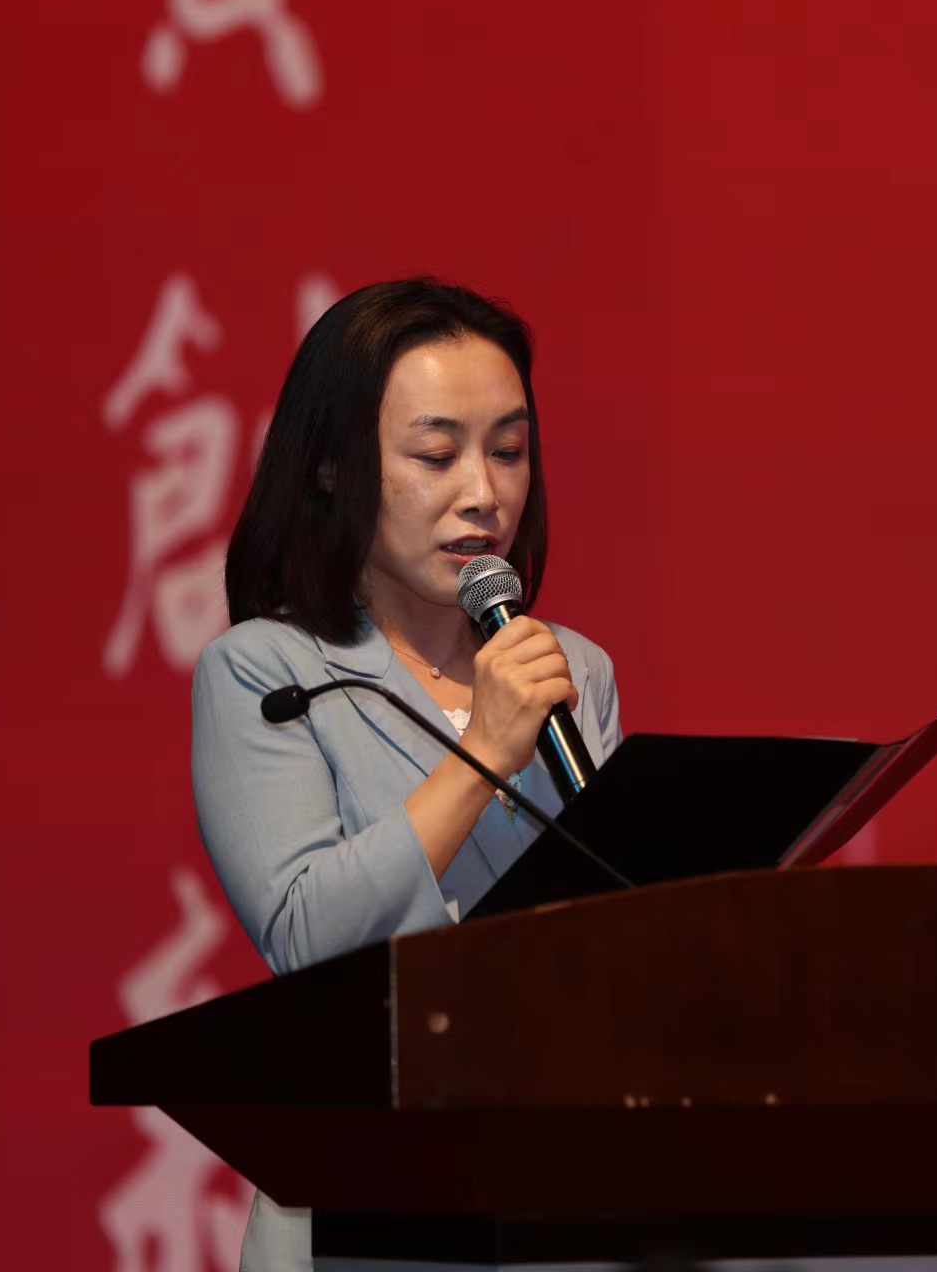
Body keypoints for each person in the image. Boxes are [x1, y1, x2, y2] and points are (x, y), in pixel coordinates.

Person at [189, 278, 621, 1270]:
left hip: (555, 1192)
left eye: (508, 451)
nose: (484, 493)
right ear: (333, 465)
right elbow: (309, 936)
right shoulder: (267, 672)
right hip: (365, 1200)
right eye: (436, 454)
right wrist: (486, 751)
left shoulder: (572, 669)